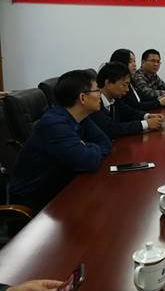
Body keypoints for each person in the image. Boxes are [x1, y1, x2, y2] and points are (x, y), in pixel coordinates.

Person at [9, 70, 111, 212]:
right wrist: (87, 149)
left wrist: (86, 147)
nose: (100, 94)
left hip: (63, 187)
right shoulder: (54, 124)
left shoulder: (81, 117)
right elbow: (87, 162)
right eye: (97, 91)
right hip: (37, 202)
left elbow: (105, 143)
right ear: (82, 98)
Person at [90, 62, 164, 139]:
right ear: (108, 83)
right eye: (124, 85)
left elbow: (130, 112)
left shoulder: (114, 99)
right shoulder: (93, 103)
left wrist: (147, 116)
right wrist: (146, 124)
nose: (127, 90)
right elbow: (111, 128)